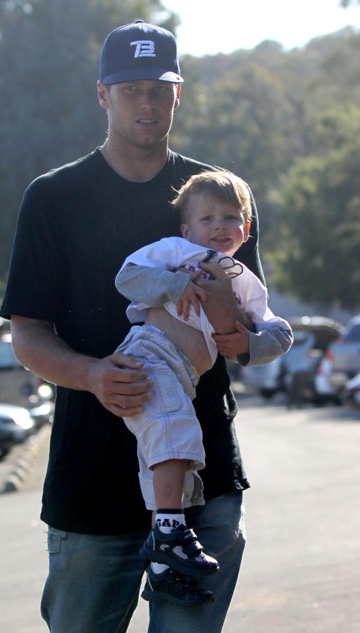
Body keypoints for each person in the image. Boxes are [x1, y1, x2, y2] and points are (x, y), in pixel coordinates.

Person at [0, 19, 265, 633]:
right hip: (92, 483)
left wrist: (242, 334)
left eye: (158, 89)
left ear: (178, 94)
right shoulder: (54, 197)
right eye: (129, 89)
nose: (146, 102)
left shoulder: (218, 197)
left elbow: (252, 329)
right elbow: (28, 333)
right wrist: (92, 374)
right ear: (103, 94)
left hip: (203, 481)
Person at [115, 170, 293, 605]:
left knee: (172, 462)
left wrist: (251, 344)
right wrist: (175, 284)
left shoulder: (245, 282)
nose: (219, 226)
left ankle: (162, 571)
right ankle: (168, 535)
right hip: (149, 355)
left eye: (230, 218)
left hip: (185, 377)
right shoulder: (177, 252)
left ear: (245, 230)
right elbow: (128, 277)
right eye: (207, 218)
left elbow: (278, 330)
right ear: (186, 229)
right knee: (175, 434)